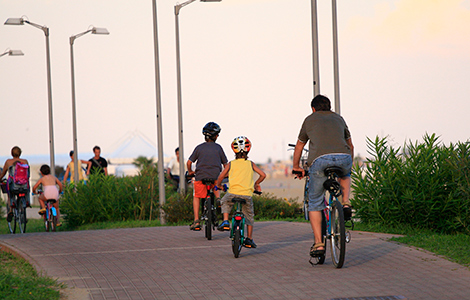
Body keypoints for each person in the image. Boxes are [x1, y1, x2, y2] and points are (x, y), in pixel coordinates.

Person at [292, 94, 354, 257]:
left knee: (315, 202)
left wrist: (295, 166)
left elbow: (299, 146)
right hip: (343, 157)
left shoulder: (309, 119)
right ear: (329, 106)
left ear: (313, 109)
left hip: (319, 161)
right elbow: (350, 144)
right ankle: (346, 203)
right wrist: (349, 164)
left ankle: (319, 244)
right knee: (346, 174)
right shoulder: (339, 118)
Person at [216, 136, 266, 248]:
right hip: (246, 195)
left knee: (225, 201)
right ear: (248, 149)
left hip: (232, 193)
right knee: (249, 216)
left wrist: (219, 185)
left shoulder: (231, 164)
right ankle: (249, 239)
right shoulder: (250, 164)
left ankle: (225, 221)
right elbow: (263, 175)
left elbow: (221, 176)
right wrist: (256, 184)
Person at [186, 122, 228, 231]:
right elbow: (226, 165)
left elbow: (189, 162)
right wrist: (225, 174)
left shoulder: (199, 148)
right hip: (215, 176)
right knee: (216, 184)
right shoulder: (219, 148)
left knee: (197, 196)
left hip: (200, 176)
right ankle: (218, 198)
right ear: (216, 136)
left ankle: (196, 221)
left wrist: (190, 172)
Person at [0, 146, 30, 222]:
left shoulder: (8, 162)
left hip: (13, 185)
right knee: (25, 191)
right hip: (24, 185)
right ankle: (26, 203)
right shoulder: (25, 161)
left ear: (11, 153)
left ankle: (10, 210)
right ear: (20, 153)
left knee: (10, 194)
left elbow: (3, 173)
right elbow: (28, 174)